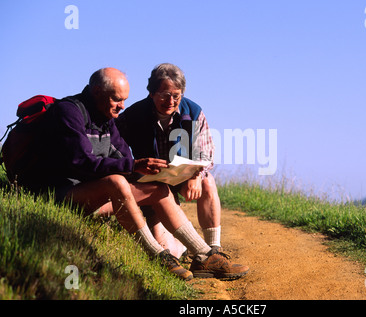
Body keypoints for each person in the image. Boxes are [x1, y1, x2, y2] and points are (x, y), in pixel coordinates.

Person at [21, 67, 249, 280]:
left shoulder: (108, 117)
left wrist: (145, 169)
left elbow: (123, 156)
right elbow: (81, 162)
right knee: (116, 181)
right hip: (61, 194)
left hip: (98, 196)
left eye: (124, 101)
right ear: (97, 92)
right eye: (117, 99)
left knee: (157, 189)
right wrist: (132, 166)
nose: (121, 106)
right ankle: (159, 257)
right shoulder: (69, 112)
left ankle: (204, 256)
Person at [115, 63, 224, 260]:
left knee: (208, 181)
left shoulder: (194, 111)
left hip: (182, 177)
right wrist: (133, 166)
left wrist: (196, 175)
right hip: (150, 183)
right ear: (152, 93)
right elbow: (114, 148)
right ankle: (182, 245)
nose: (171, 101)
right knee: (171, 252)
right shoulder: (132, 115)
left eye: (176, 95)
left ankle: (213, 250)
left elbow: (206, 152)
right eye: (164, 95)